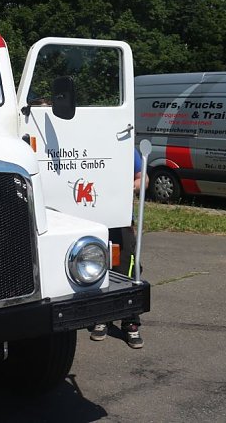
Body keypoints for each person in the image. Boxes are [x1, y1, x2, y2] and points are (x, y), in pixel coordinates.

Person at [90, 147, 144, 349]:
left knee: (128, 270)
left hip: (122, 220)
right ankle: (102, 318)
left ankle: (130, 322)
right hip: (95, 219)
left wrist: (128, 188)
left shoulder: (128, 150)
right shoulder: (88, 146)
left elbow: (143, 179)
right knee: (98, 268)